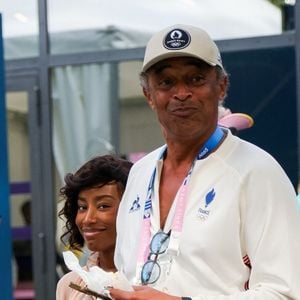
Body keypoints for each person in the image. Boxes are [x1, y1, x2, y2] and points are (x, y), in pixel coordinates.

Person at [109, 24, 300, 300]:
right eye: (166, 82)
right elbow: (126, 272)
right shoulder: (140, 173)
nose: (182, 93)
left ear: (221, 87)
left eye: (196, 79)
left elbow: (285, 292)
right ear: (148, 95)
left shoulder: (257, 172)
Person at [56, 155, 133, 299]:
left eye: (103, 206)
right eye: (82, 207)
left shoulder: (152, 282)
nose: (88, 219)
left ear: (133, 210)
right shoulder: (69, 285)